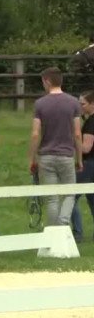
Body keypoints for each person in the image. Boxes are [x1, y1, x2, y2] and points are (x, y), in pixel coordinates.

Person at [28, 67, 82, 228]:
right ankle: (64, 224)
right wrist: (79, 159)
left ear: (47, 81)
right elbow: (77, 134)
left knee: (51, 197)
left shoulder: (40, 104)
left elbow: (35, 134)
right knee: (69, 194)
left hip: (46, 156)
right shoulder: (73, 102)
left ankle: (53, 230)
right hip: (66, 155)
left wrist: (32, 158)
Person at [70, 90, 94, 241]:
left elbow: (86, 148)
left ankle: (77, 233)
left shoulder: (91, 123)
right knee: (92, 200)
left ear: (92, 104)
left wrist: (72, 139)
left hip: (89, 165)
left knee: (69, 197)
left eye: (83, 104)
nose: (80, 106)